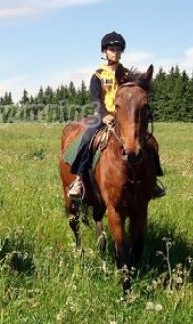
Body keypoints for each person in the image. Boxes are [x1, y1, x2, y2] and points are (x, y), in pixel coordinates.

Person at [67, 31, 166, 200]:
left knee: (150, 142)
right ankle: (78, 180)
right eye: (112, 49)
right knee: (87, 139)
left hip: (125, 117)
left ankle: (153, 181)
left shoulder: (127, 74)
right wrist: (104, 114)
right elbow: (95, 98)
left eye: (118, 49)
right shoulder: (98, 74)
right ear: (104, 52)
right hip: (103, 116)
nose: (115, 52)